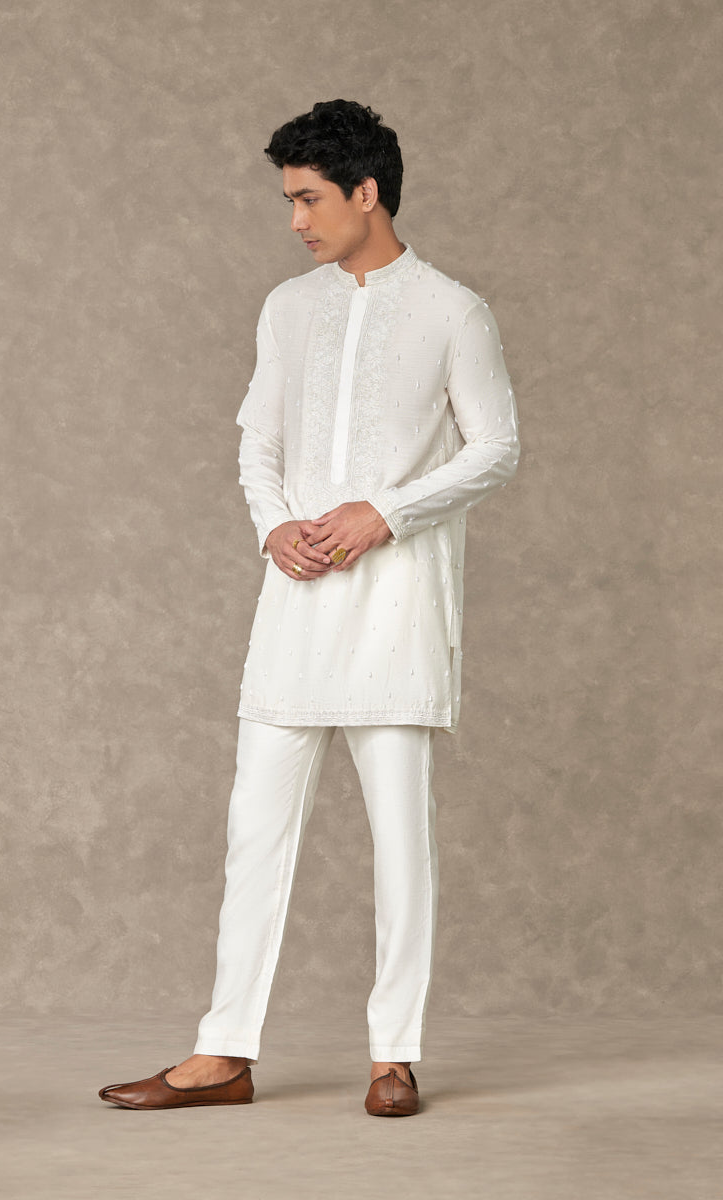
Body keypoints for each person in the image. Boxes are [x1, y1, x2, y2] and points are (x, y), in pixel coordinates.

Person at [99, 99, 520, 1117]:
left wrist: (386, 511)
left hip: (396, 610)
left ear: (366, 192)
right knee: (254, 834)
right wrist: (272, 525)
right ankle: (223, 1053)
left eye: (308, 199)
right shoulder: (288, 309)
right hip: (293, 606)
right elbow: (259, 440)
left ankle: (393, 1056)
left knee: (399, 842)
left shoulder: (452, 311)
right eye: (288, 200)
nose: (294, 220)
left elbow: (497, 448)